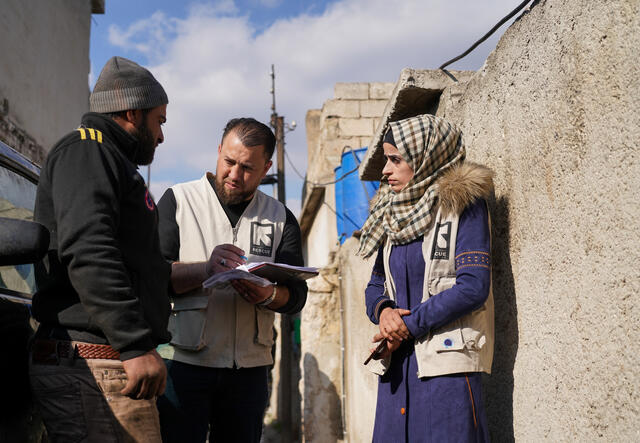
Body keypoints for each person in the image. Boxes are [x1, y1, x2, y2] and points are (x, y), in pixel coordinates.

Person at [30, 56, 171, 442]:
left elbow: (133, 266)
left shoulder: (110, 161)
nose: (161, 136)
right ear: (132, 112)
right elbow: (89, 248)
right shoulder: (87, 151)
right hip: (98, 364)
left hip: (109, 362)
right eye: (158, 120)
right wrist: (135, 344)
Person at [155, 117, 307, 443]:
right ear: (218, 150)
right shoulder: (178, 201)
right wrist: (205, 270)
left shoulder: (281, 218)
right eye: (229, 162)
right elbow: (155, 278)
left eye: (248, 168)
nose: (235, 175)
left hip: (250, 372)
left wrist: (267, 295)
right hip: (183, 364)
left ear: (266, 168)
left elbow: (296, 295)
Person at [360, 114, 494, 442]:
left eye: (395, 159)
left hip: (445, 370)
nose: (385, 170)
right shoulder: (392, 216)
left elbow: (473, 286)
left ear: (424, 157)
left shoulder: (463, 205)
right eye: (386, 160)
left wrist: (409, 324)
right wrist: (385, 312)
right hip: (397, 368)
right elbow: (376, 285)